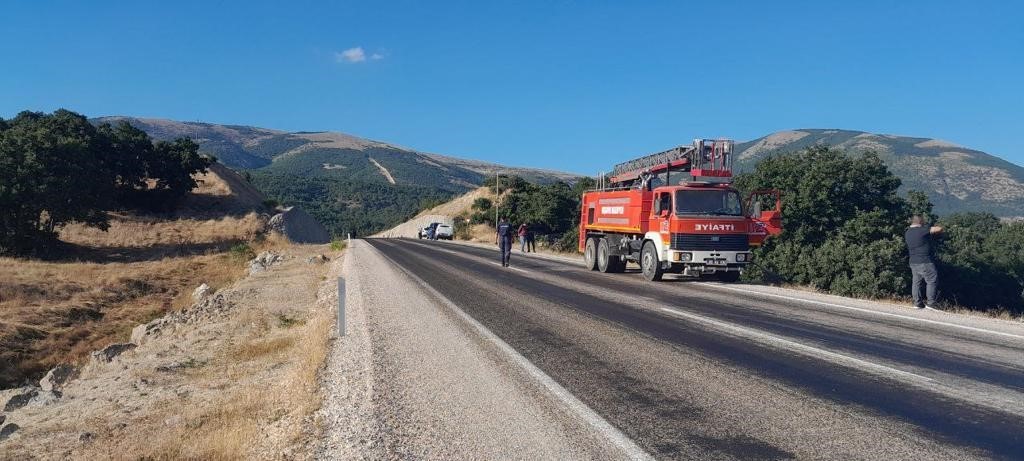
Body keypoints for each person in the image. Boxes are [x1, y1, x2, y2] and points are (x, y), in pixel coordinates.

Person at [905, 215, 943, 310]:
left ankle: (917, 303)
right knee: (932, 280)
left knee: (916, 283)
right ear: (920, 222)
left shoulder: (908, 232)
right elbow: (939, 229)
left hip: (913, 261)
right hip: (925, 261)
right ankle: (931, 303)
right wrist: (929, 226)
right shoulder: (922, 230)